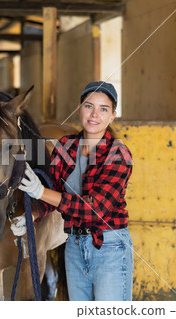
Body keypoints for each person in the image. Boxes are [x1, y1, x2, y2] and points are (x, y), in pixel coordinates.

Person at [15, 81, 134, 301]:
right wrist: (31, 216)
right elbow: (56, 195)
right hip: (73, 247)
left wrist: (39, 192)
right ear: (79, 109)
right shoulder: (65, 146)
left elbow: (94, 210)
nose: (94, 114)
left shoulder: (119, 154)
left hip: (109, 248)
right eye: (89, 106)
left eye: (103, 109)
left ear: (112, 115)